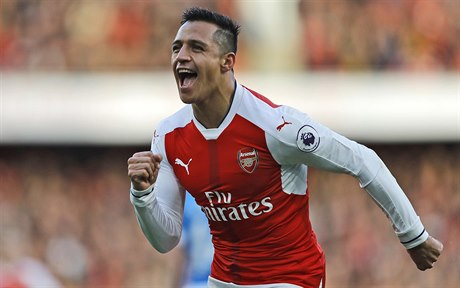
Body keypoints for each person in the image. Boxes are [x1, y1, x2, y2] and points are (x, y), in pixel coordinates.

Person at [127, 7, 443, 288]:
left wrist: (412, 234)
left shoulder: (276, 127)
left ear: (227, 62)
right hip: (223, 279)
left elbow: (363, 160)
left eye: (196, 47)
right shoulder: (168, 136)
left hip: (290, 277)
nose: (181, 56)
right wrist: (142, 195)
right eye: (176, 47)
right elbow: (166, 240)